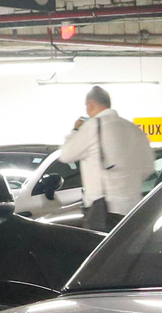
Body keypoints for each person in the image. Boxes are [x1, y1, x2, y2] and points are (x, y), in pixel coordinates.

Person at [51, 86, 154, 232]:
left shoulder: (93, 126)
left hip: (103, 211)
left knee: (104, 253)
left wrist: (75, 131)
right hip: (133, 209)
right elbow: (148, 168)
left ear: (90, 105)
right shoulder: (133, 129)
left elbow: (66, 155)